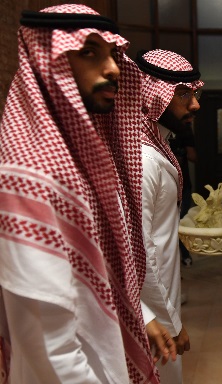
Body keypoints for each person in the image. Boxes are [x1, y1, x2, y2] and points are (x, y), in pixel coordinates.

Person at [0, 4, 164, 383]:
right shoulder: (30, 176)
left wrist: (140, 313)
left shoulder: (83, 163)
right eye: (89, 53)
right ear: (47, 64)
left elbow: (101, 266)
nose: (112, 69)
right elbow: (48, 348)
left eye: (112, 54)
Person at [135, 48, 203, 383]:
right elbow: (141, 250)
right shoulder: (144, 159)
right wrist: (169, 322)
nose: (195, 105)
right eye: (183, 94)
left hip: (158, 303)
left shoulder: (157, 146)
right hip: (151, 314)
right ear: (152, 95)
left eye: (195, 93)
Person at [169, 125, 196, 268]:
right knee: (173, 224)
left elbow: (192, 156)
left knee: (180, 222)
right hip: (169, 185)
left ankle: (184, 256)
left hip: (182, 184)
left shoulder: (185, 130)